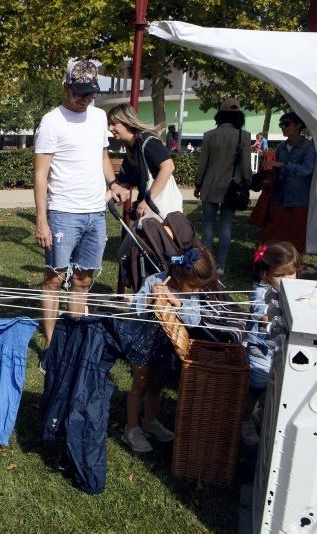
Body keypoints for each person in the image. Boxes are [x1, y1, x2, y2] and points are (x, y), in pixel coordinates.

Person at [33, 59, 130, 348]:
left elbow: (102, 157)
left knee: (84, 279)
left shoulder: (99, 117)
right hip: (62, 212)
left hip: (95, 213)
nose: (84, 100)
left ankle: (73, 337)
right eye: (79, 94)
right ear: (65, 88)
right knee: (54, 278)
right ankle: (51, 344)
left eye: (90, 94)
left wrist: (113, 183)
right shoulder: (52, 121)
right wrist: (42, 220)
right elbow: (40, 172)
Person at [118, 246, 218, 453]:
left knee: (156, 384)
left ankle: (149, 422)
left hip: (166, 346)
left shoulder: (188, 294)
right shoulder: (154, 282)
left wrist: (178, 302)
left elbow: (194, 320)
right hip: (142, 343)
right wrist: (151, 299)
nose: (196, 291)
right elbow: (136, 311)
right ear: (179, 276)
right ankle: (131, 428)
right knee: (140, 384)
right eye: (193, 287)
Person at [242, 241, 301, 445]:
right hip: (261, 351)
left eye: (291, 274)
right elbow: (261, 314)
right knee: (256, 388)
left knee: (279, 387)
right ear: (264, 274)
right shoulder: (261, 292)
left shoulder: (292, 292)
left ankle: (262, 414)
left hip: (280, 349)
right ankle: (244, 419)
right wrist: (277, 317)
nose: (287, 281)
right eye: (280, 276)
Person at [194, 97, 252, 274]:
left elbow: (202, 164)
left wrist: (198, 184)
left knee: (208, 225)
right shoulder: (244, 136)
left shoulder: (210, 135)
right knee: (226, 227)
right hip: (232, 187)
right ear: (239, 116)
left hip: (210, 186)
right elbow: (245, 166)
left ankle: (207, 263)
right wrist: (247, 183)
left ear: (220, 115)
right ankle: (221, 266)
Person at [107, 104, 183, 223]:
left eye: (113, 123)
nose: (110, 128)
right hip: (148, 212)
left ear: (127, 122)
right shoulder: (131, 149)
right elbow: (125, 181)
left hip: (161, 210)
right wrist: (105, 198)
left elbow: (168, 167)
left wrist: (148, 200)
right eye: (109, 124)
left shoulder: (147, 140)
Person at [259, 111, 316, 253]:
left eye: (286, 124)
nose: (283, 127)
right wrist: (268, 178)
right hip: (279, 198)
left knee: (296, 237)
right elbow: (277, 172)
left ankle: (295, 266)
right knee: (276, 234)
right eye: (281, 124)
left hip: (299, 200)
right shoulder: (281, 147)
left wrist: (283, 165)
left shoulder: (309, 147)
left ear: (298, 125)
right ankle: (276, 262)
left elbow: (307, 170)